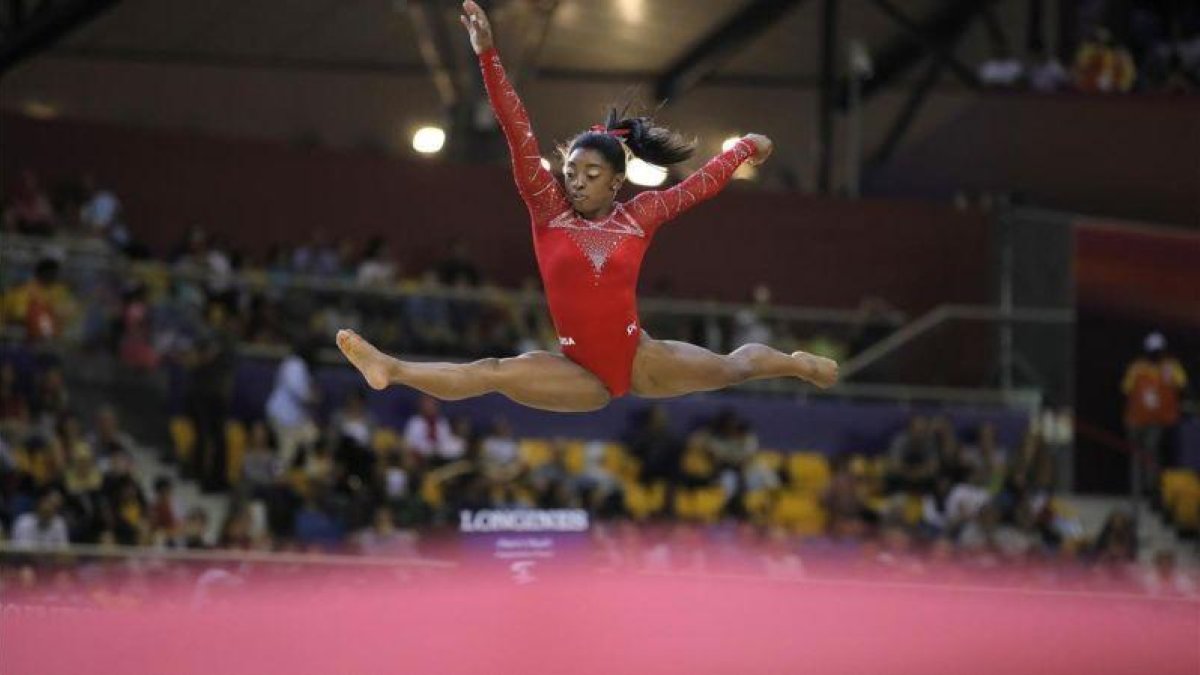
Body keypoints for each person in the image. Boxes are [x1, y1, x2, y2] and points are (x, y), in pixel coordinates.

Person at [336, 1, 837, 414]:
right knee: (491, 372)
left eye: (591, 176)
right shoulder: (546, 208)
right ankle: (391, 368)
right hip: (577, 372)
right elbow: (517, 130)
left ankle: (796, 363)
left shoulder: (638, 216)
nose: (576, 183)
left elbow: (699, 186)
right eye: (571, 172)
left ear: (617, 182)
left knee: (735, 367)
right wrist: (488, 54)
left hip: (639, 359)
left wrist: (744, 148)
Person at [1122, 332, 1188, 503]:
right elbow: (1126, 389)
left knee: (1152, 451)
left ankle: (1152, 489)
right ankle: (1137, 489)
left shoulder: (1171, 367)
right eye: (1152, 351)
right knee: (1137, 455)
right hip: (1136, 420)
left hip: (1159, 420)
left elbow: (1182, 386)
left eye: (1158, 351)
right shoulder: (1137, 368)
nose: (1155, 355)